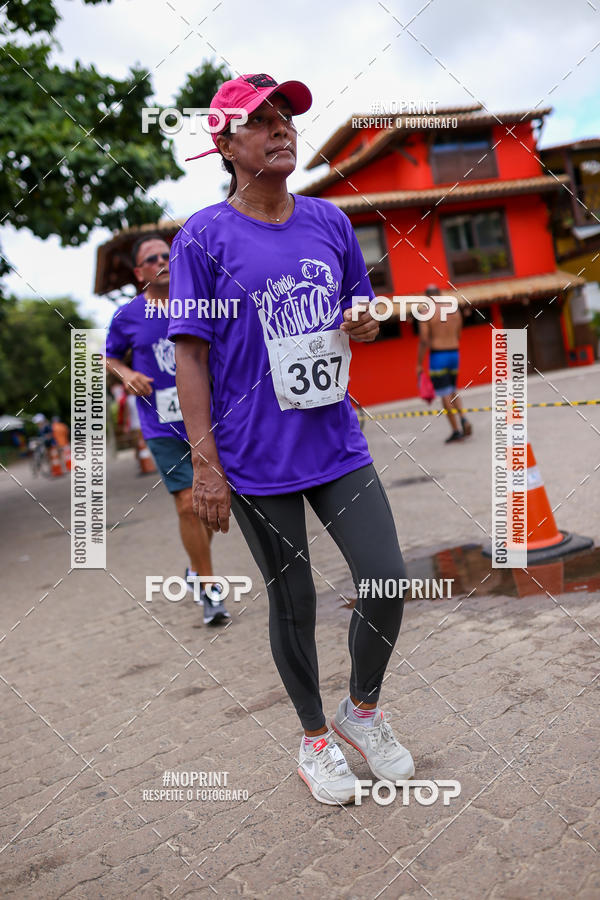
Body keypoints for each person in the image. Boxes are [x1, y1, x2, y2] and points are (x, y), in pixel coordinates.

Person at [167, 73, 415, 805]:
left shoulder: (330, 223)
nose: (282, 130)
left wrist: (364, 323)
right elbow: (190, 355)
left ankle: (361, 711)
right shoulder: (203, 238)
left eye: (287, 119)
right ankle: (314, 741)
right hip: (252, 457)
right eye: (261, 121)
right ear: (225, 142)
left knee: (387, 579)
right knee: (295, 601)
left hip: (336, 442)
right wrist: (206, 467)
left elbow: (355, 310)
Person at [105, 233, 230, 626]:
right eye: (151, 257)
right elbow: (108, 356)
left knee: (204, 506)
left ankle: (195, 569)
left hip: (211, 418)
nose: (161, 259)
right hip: (161, 424)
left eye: (166, 254)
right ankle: (211, 590)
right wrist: (126, 374)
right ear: (140, 271)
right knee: (186, 504)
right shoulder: (127, 316)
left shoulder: (200, 303)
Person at [417, 284, 473, 443]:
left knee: (444, 393)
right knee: (452, 389)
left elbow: (424, 339)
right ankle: (463, 418)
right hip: (454, 353)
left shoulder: (425, 312)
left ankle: (456, 430)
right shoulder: (454, 310)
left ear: (427, 297)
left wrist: (419, 363)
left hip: (438, 355)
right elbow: (459, 334)